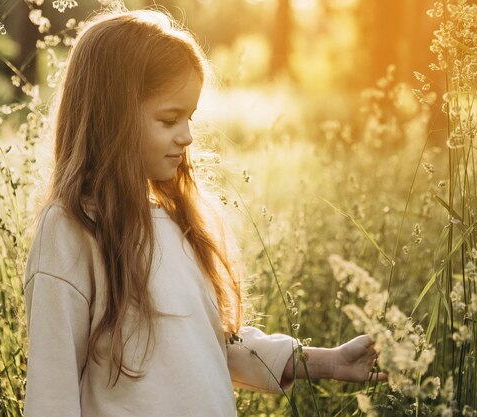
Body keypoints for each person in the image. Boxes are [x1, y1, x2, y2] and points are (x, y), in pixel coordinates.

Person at [23, 8, 386, 417]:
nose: (187, 135)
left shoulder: (179, 222)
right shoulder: (71, 230)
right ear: (112, 117)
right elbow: (50, 392)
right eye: (169, 118)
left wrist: (329, 362)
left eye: (190, 117)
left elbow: (207, 343)